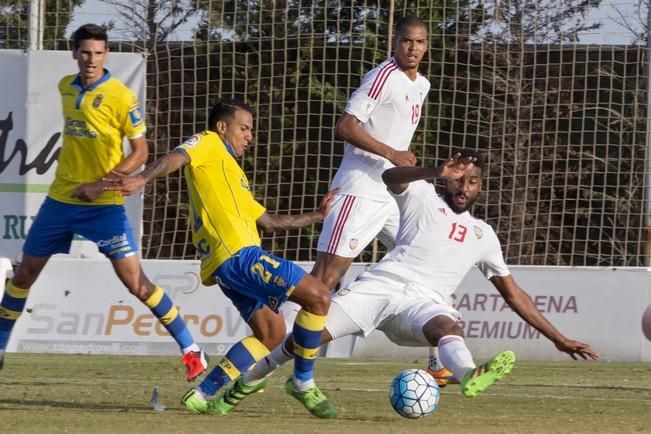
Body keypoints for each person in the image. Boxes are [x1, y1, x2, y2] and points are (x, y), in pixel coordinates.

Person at [216, 149, 598, 410]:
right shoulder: (423, 196)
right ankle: (245, 383)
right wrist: (436, 172)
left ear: (480, 187)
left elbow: (515, 295)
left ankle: (468, 375)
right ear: (449, 180)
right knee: (301, 338)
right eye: (458, 180)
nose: (463, 187)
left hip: (422, 304)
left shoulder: (485, 235)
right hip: (378, 288)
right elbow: (390, 175)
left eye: (471, 182)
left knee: (448, 325)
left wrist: (559, 339)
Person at [0, 24, 207, 382]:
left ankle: (191, 349)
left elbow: (141, 152)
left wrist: (99, 185)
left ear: (106, 54)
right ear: (74, 53)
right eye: (85, 52)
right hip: (60, 201)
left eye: (97, 53)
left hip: (104, 205)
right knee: (24, 274)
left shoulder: (122, 97)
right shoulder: (66, 87)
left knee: (136, 283)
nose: (91, 59)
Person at [109, 100, 338, 418]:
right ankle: (302, 380)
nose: (249, 137)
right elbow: (175, 158)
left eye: (251, 131)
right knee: (319, 296)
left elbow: (268, 221)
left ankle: (202, 395)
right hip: (239, 255)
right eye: (244, 128)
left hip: (225, 266)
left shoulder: (232, 175)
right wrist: (142, 179)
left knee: (271, 333)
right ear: (222, 127)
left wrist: (317, 215)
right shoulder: (208, 142)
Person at [303, 15, 451, 382]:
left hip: (391, 194)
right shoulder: (381, 76)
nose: (412, 48)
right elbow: (345, 126)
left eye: (419, 42)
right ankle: (270, 351)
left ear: (426, 45)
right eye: (406, 41)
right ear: (395, 43)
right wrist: (393, 153)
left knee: (430, 257)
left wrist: (399, 160)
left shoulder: (422, 85)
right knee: (322, 283)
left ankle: (440, 361)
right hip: (359, 190)